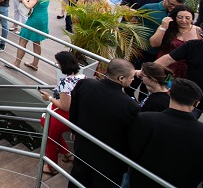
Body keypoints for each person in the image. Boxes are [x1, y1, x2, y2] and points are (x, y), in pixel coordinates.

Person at [68, 59, 139, 188]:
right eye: (132, 77)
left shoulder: (85, 84)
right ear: (121, 78)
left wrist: (74, 130)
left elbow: (74, 109)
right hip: (109, 160)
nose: (133, 80)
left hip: (83, 146)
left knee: (78, 178)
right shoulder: (130, 105)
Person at [128, 79, 203, 188]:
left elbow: (133, 150)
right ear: (197, 103)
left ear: (169, 92)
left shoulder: (145, 119)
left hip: (143, 180)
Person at [38, 51, 84, 175]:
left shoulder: (65, 83)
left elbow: (65, 106)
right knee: (50, 129)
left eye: (58, 63)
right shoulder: (82, 78)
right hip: (78, 114)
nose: (57, 65)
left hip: (66, 116)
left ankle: (51, 167)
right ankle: (68, 154)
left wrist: (49, 98)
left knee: (50, 138)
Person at [12, 0, 52, 71]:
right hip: (43, 18)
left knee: (23, 40)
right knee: (37, 41)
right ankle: (35, 63)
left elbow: (29, 6)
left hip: (34, 19)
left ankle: (16, 63)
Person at [150, 5, 201, 78]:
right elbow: (154, 44)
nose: (183, 21)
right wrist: (163, 27)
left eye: (187, 18)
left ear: (192, 19)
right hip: (167, 65)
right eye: (180, 17)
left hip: (188, 69)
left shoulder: (198, 31)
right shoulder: (168, 27)